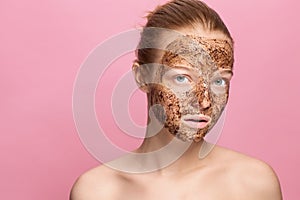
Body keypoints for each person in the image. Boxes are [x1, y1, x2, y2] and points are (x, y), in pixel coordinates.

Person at [70, 0, 282, 199]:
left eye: (218, 81)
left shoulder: (253, 184)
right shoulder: (97, 192)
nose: (204, 101)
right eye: (182, 78)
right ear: (143, 77)